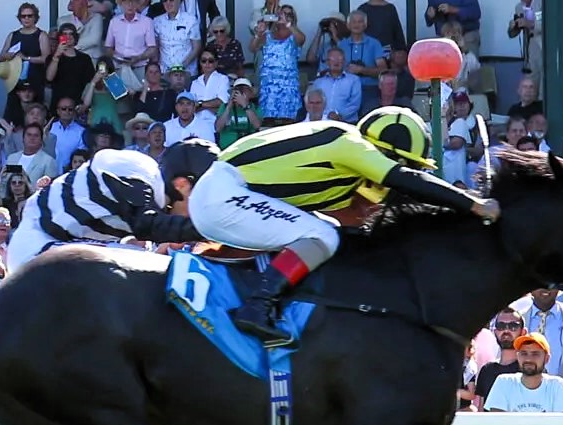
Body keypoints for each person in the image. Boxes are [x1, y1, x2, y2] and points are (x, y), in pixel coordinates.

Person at [195, 107, 498, 343]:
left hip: (225, 196)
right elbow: (405, 181)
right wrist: (473, 204)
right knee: (322, 235)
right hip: (224, 194)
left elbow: (366, 218)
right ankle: (257, 306)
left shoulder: (341, 175)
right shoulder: (349, 143)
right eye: (402, 163)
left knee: (325, 233)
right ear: (383, 153)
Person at [4, 143, 204, 271]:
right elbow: (146, 224)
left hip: (57, 246)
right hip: (37, 249)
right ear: (182, 185)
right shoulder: (141, 171)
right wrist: (209, 229)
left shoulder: (150, 190)